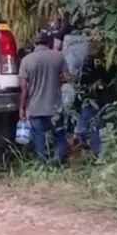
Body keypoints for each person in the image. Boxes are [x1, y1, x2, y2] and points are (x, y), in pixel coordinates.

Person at [18, 30, 70, 165]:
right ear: (49, 43)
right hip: (55, 107)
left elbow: (24, 87)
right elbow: (68, 78)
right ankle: (58, 161)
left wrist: (22, 108)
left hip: (35, 108)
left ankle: (42, 163)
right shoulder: (58, 57)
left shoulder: (26, 60)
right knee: (59, 135)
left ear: (35, 44)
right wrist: (57, 79)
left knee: (39, 137)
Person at [75, 40, 108, 158]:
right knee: (96, 126)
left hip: (89, 99)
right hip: (103, 98)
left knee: (85, 127)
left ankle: (93, 153)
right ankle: (97, 153)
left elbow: (84, 79)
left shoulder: (88, 60)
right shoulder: (106, 60)